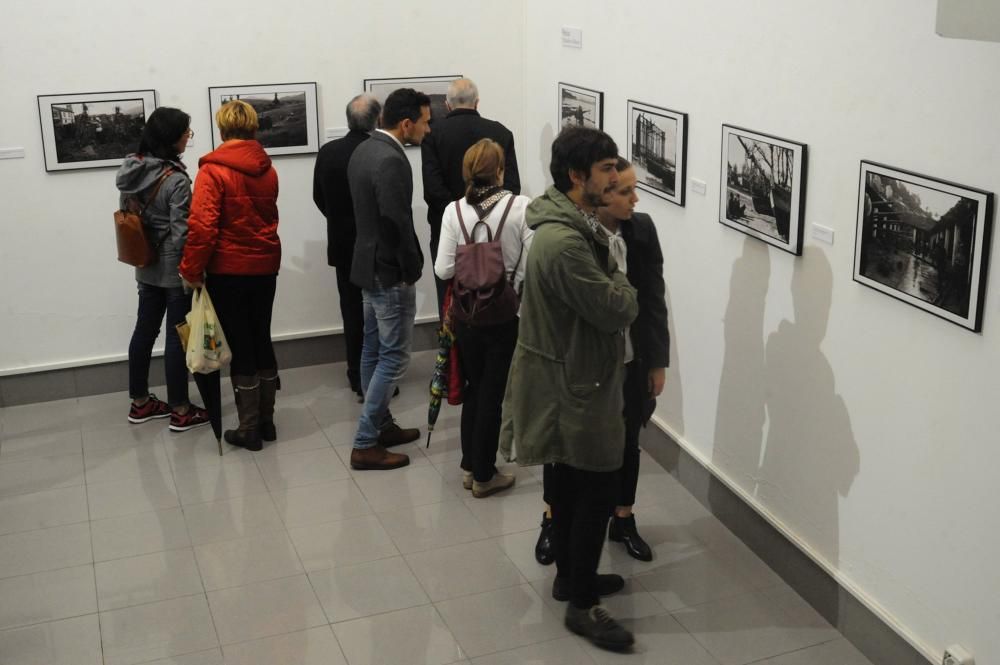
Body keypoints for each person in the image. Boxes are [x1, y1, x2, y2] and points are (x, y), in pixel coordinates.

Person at [499, 127, 638, 651]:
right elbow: (615, 308)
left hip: (577, 378)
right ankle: (582, 604)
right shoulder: (563, 242)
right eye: (606, 169)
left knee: (576, 489)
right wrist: (624, 281)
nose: (616, 175)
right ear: (577, 177)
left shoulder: (573, 226)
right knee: (594, 491)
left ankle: (571, 577)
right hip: (575, 386)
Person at [535, 158, 670, 564]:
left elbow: (653, 299)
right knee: (564, 448)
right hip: (584, 367)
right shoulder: (573, 238)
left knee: (628, 442)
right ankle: (552, 519)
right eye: (624, 191)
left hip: (631, 360)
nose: (635, 198)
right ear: (600, 194)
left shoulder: (641, 230)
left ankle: (623, 518)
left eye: (633, 189)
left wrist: (657, 362)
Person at [179, 100, 281, 452]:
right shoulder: (268, 169)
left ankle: (249, 427)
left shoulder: (212, 170)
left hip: (229, 269)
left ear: (222, 129)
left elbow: (202, 227)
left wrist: (190, 270)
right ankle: (267, 422)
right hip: (265, 265)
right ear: (254, 128)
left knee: (240, 345)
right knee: (261, 336)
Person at [434, 139, 532, 498]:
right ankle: (484, 475)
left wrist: (470, 265)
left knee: (475, 389)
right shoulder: (520, 207)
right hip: (505, 314)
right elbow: (532, 258)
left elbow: (442, 267)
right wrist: (511, 281)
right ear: (501, 169)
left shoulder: (453, 211)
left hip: (466, 314)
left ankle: (469, 466)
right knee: (494, 394)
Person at [347, 88, 431, 471]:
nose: (428, 131)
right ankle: (366, 441)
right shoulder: (391, 160)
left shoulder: (363, 148)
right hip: (388, 270)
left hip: (366, 263)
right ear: (407, 123)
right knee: (393, 355)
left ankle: (381, 425)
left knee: (371, 348)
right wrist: (411, 267)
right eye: (426, 123)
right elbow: (396, 220)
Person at [116, 106, 209, 433]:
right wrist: (193, 272)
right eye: (186, 132)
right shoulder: (176, 179)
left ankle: (140, 403)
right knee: (176, 337)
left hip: (143, 262)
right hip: (173, 268)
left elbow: (128, 212)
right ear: (171, 139)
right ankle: (181, 410)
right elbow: (182, 232)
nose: (188, 137)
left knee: (144, 330)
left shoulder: (131, 171)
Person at [421, 78, 520, 318]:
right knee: (497, 297)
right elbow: (511, 186)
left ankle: (452, 349)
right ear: (477, 103)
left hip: (450, 229)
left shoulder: (433, 135)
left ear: (447, 105)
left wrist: (461, 215)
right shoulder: (501, 132)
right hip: (497, 233)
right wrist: (488, 214)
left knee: (450, 302)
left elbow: (433, 190)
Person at [312, 93, 381, 401]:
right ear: (376, 120)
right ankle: (376, 377)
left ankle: (356, 374)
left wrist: (339, 221)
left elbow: (318, 196)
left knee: (352, 311)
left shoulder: (328, 152)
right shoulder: (378, 152)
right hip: (376, 246)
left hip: (342, 244)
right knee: (378, 313)